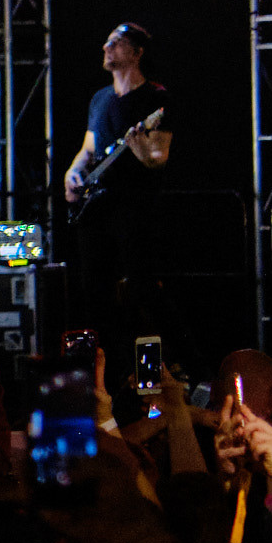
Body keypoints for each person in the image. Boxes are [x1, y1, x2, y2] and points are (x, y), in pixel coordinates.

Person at [63, 22, 172, 371]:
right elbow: (90, 149)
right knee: (95, 293)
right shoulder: (100, 98)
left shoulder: (156, 99)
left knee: (142, 290)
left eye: (116, 43)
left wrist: (140, 147)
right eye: (106, 42)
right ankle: (107, 373)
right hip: (97, 209)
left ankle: (163, 372)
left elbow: (158, 158)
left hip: (134, 208)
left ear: (137, 53)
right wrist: (72, 173)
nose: (106, 47)